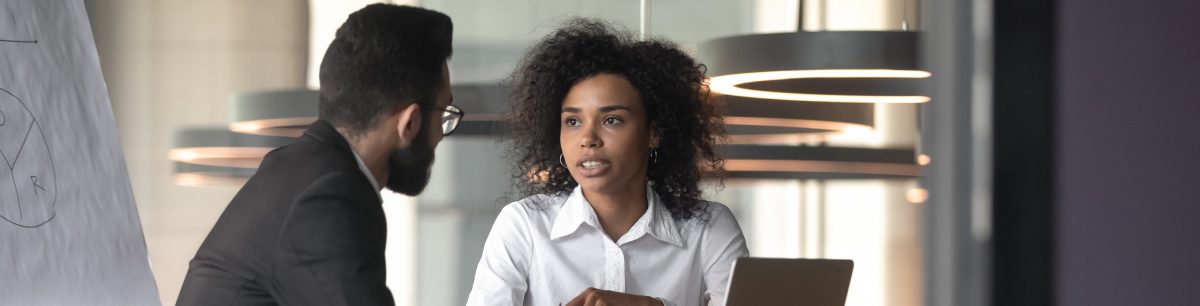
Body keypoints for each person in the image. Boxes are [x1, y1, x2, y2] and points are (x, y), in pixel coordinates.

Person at [177, 4, 458, 306]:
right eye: (443, 114)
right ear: (410, 122)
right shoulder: (330, 197)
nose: (442, 132)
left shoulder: (304, 171)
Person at [466, 19, 748, 306]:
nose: (587, 138)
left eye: (611, 120)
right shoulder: (524, 226)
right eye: (573, 121)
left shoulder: (709, 229)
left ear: (654, 133)